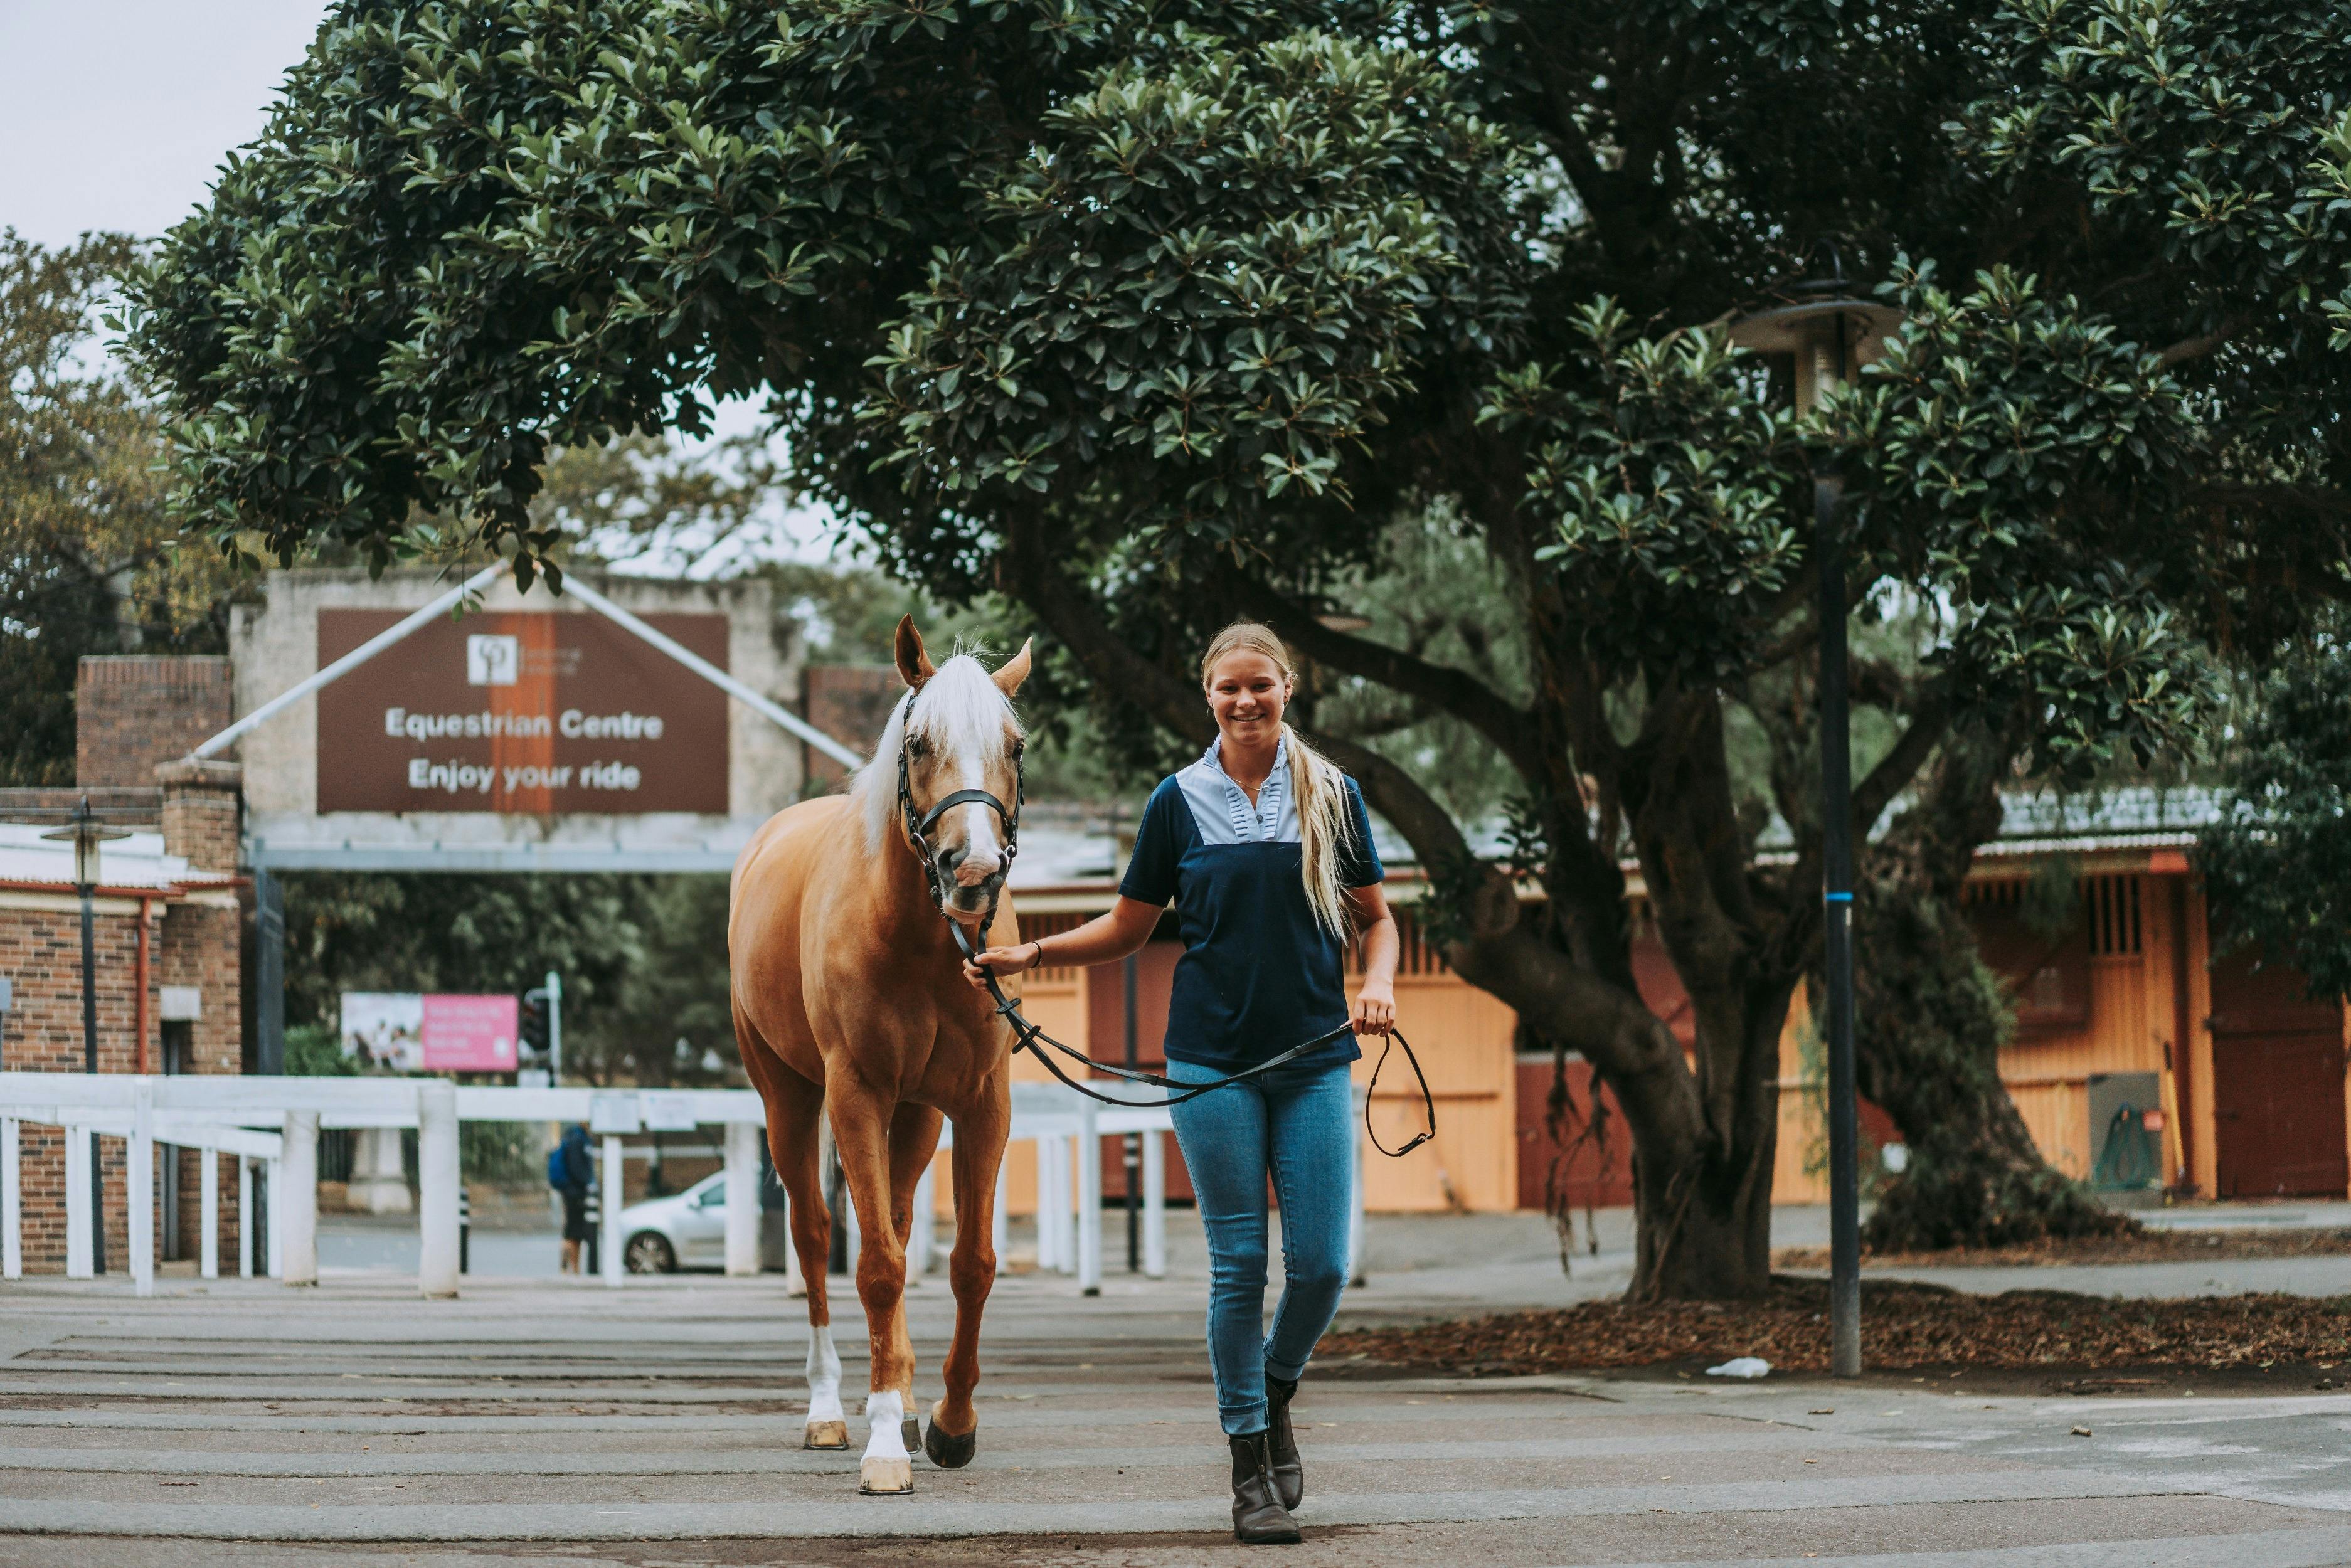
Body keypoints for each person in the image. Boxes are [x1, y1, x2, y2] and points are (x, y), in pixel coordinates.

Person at [966, 620, 1399, 1545]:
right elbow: (1129, 926)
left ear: (1289, 687)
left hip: (1314, 1058)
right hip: (1209, 1063)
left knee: (1321, 1267)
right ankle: (1249, 1467)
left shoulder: (1332, 793)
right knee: (1238, 1265)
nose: (1245, 700)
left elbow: (1378, 919)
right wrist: (1032, 954)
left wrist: (1378, 982)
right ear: (1208, 696)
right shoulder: (1178, 799)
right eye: (1228, 687)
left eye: (1260, 684)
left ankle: (1274, 1389)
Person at [552, 1123, 595, 1274]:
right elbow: (577, 1167)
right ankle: (571, 1268)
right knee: (573, 1231)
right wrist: (588, 1182)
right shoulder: (578, 1138)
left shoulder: (575, 1136)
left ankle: (570, 1268)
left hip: (571, 1190)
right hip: (574, 1192)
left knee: (572, 1230)